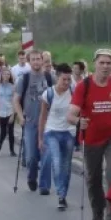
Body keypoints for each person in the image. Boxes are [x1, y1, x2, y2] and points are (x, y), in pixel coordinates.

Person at [67, 48, 111, 220]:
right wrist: (79, 121)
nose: (105, 66)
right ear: (95, 63)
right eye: (102, 62)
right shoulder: (84, 86)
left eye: (109, 63)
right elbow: (70, 114)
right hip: (91, 139)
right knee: (93, 177)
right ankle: (97, 210)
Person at [13, 50, 54, 192]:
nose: (36, 62)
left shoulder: (49, 77)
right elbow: (16, 100)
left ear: (43, 61)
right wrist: (20, 116)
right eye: (33, 59)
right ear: (29, 62)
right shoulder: (23, 79)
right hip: (30, 122)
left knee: (46, 156)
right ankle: (32, 177)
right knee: (31, 156)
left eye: (39, 59)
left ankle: (44, 185)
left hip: (48, 123)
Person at [38, 63, 76, 210]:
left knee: (66, 166)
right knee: (56, 162)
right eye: (64, 79)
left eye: (69, 79)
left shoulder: (73, 92)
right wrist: (40, 138)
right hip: (52, 131)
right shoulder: (48, 94)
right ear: (57, 78)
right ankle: (60, 193)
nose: (66, 83)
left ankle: (62, 196)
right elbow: (42, 117)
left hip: (69, 133)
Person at [0, 68, 17, 155]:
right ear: (1, 76)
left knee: (11, 131)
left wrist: (13, 114)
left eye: (8, 74)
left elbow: (15, 101)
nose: (6, 76)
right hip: (1, 111)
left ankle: (12, 150)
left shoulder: (13, 87)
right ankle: (0, 143)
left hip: (10, 110)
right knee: (3, 131)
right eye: (4, 74)